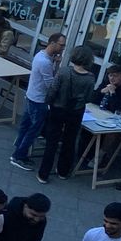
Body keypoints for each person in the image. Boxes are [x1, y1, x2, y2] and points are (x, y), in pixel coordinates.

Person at [36, 45, 94, 183]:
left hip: (58, 108)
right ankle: (63, 171)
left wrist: (49, 103)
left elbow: (53, 90)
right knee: (70, 141)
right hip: (76, 112)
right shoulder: (90, 78)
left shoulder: (63, 72)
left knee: (52, 142)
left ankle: (43, 174)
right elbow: (88, 97)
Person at [10, 33, 64, 170]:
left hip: (31, 96)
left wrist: (56, 64)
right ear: (52, 43)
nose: (63, 48)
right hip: (39, 100)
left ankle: (18, 149)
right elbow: (50, 84)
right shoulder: (45, 62)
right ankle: (19, 156)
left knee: (25, 125)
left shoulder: (41, 56)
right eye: (61, 45)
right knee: (33, 130)